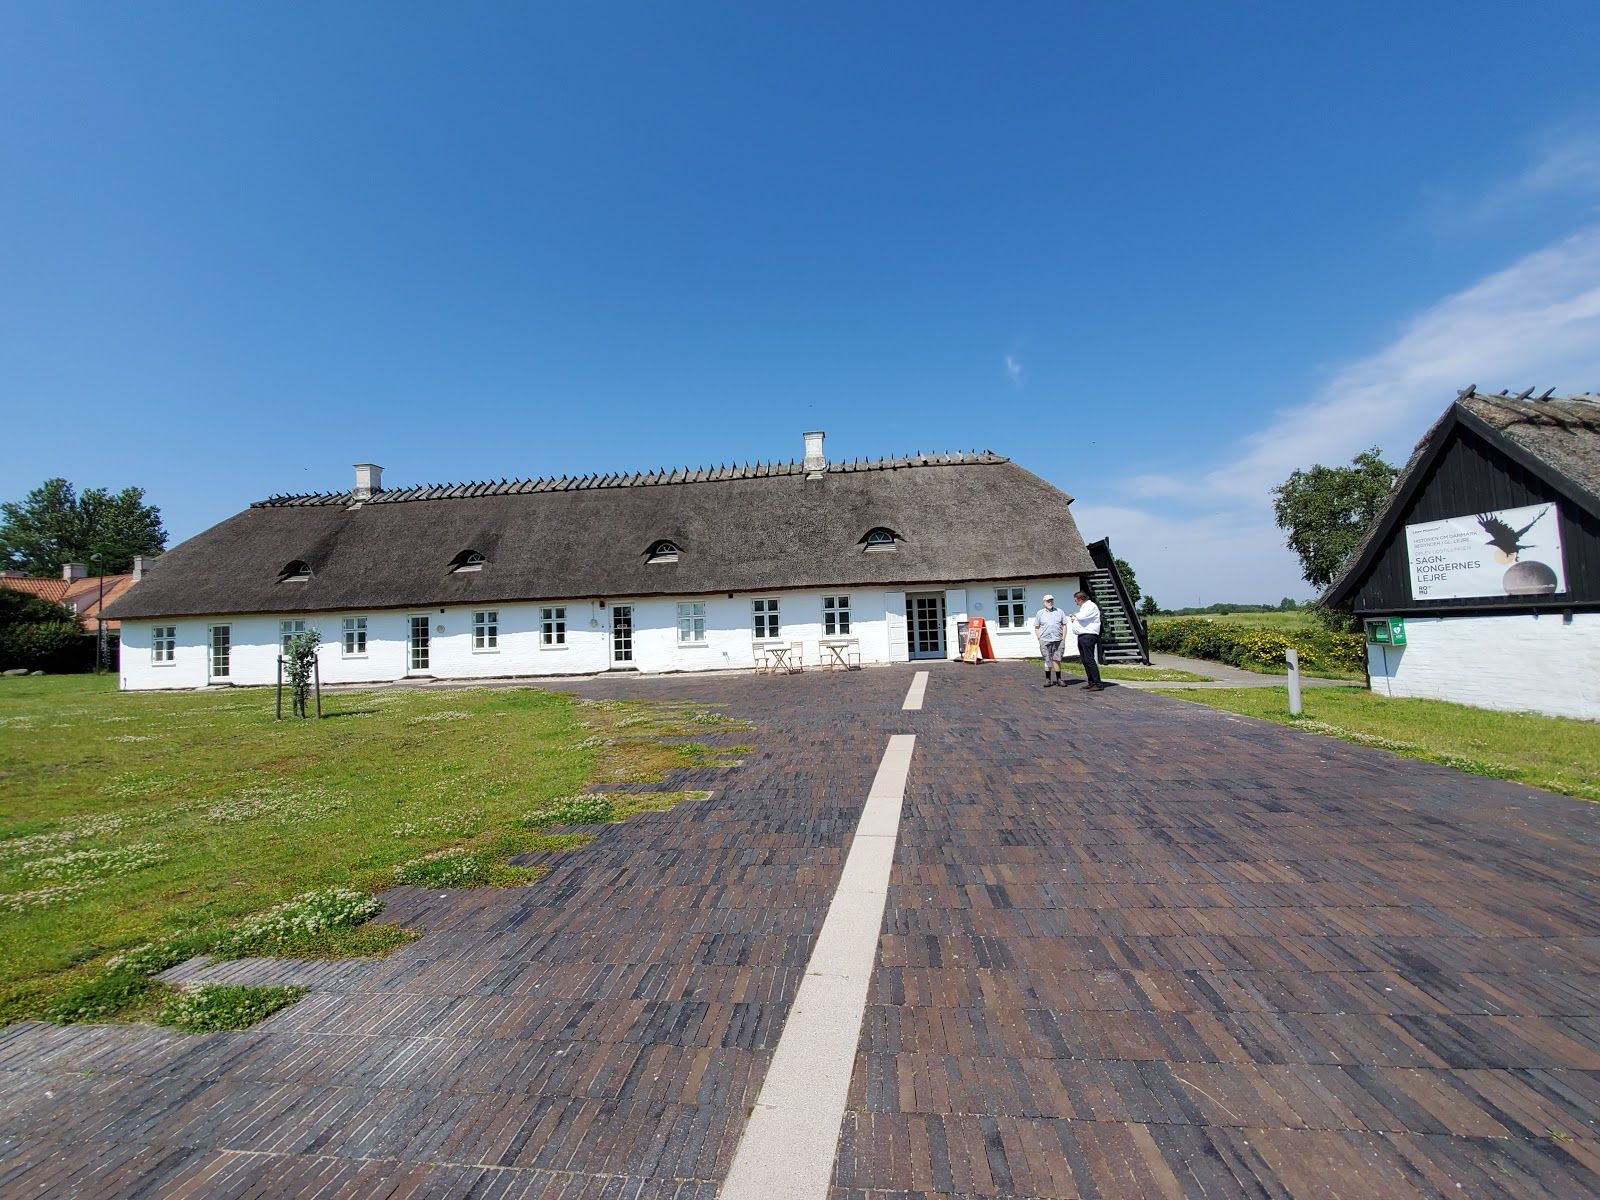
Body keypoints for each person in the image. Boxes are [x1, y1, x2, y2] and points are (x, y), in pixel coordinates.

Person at [1032, 594, 1070, 687]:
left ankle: (1059, 679)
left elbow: (1064, 625)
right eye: (1048, 601)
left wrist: (1063, 638)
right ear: (1044, 602)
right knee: (1047, 659)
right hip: (1045, 640)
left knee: (1057, 659)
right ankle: (1048, 679)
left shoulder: (1059, 611)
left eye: (1051, 600)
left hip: (1058, 639)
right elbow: (1036, 627)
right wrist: (1039, 638)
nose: (1050, 602)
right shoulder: (1040, 613)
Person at [1070, 589, 1104, 691]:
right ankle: (1091, 681)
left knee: (1089, 659)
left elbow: (1082, 617)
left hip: (1088, 635)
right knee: (1085, 660)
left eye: (1075, 600)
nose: (1075, 602)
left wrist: (1074, 616)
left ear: (1080, 599)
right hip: (1082, 635)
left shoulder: (1090, 606)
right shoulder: (1084, 607)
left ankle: (1097, 683)